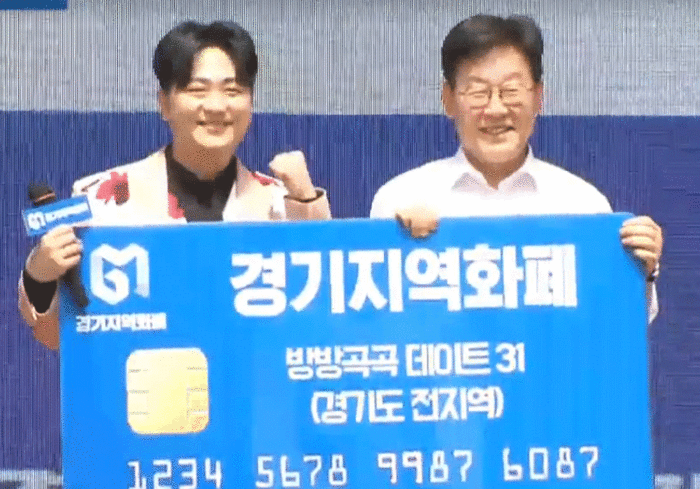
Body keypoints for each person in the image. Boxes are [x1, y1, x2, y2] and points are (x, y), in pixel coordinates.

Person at [19, 20, 331, 350]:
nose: (216, 106)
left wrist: (306, 200)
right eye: (197, 90)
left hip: (252, 380)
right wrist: (39, 276)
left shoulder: (281, 203)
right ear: (165, 104)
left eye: (232, 91)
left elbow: (325, 315)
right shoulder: (101, 198)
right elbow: (59, 337)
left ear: (250, 104)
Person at [370, 14, 662, 318]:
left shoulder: (583, 205)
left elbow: (613, 323)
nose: (496, 109)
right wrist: (398, 244)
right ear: (449, 100)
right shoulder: (401, 199)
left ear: (538, 97)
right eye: (478, 92)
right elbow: (369, 323)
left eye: (511, 90)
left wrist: (640, 271)